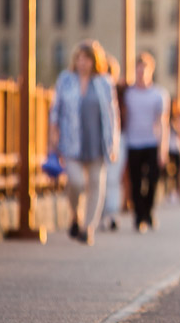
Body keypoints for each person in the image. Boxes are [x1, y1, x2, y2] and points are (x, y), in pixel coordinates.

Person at [48, 40, 120, 245]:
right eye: (79, 58)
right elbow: (55, 111)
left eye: (86, 59)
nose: (82, 63)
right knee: (76, 182)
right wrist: (53, 138)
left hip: (97, 144)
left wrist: (113, 143)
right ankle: (74, 216)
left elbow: (112, 115)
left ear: (94, 61)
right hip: (71, 143)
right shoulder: (65, 80)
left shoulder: (104, 83)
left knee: (97, 184)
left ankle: (87, 228)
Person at [124, 52, 170, 233]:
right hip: (133, 142)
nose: (141, 74)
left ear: (151, 71)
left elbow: (163, 122)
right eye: (138, 70)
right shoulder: (128, 94)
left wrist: (163, 149)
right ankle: (138, 216)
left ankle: (149, 211)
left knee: (152, 181)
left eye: (144, 70)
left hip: (152, 142)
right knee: (135, 182)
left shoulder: (158, 94)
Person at [100, 53, 127, 232]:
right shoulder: (96, 88)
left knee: (113, 178)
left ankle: (112, 213)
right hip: (98, 139)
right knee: (99, 178)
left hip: (118, 138)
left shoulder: (122, 91)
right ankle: (99, 213)